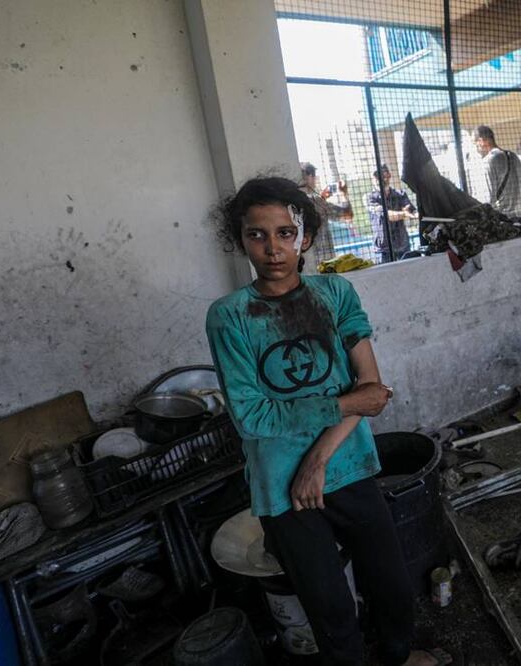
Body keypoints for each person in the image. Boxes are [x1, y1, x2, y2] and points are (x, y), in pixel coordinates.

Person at [205, 177, 445, 666]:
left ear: (306, 236)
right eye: (257, 235)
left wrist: (316, 457)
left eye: (285, 233)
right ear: (240, 240)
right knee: (331, 612)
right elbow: (253, 417)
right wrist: (348, 405)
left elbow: (371, 387)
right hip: (282, 487)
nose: (273, 248)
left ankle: (398, 658)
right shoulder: (229, 316)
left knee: (392, 586)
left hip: (348, 465)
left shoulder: (335, 293)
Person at [300, 162, 352, 263]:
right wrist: (343, 193)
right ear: (310, 176)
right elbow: (347, 214)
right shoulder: (316, 201)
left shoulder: (291, 201)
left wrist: (322, 198)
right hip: (321, 260)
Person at [364, 164, 416, 263]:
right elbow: (386, 215)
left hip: (402, 245)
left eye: (381, 175)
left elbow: (412, 211)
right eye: (375, 176)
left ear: (389, 175)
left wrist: (415, 214)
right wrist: (404, 214)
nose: (378, 179)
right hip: (383, 249)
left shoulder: (400, 194)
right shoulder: (370, 197)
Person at [474, 125, 521, 219]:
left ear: (482, 141)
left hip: (501, 220)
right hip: (518, 218)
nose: (476, 147)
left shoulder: (488, 161)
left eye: (475, 142)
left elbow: (488, 198)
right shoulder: (514, 156)